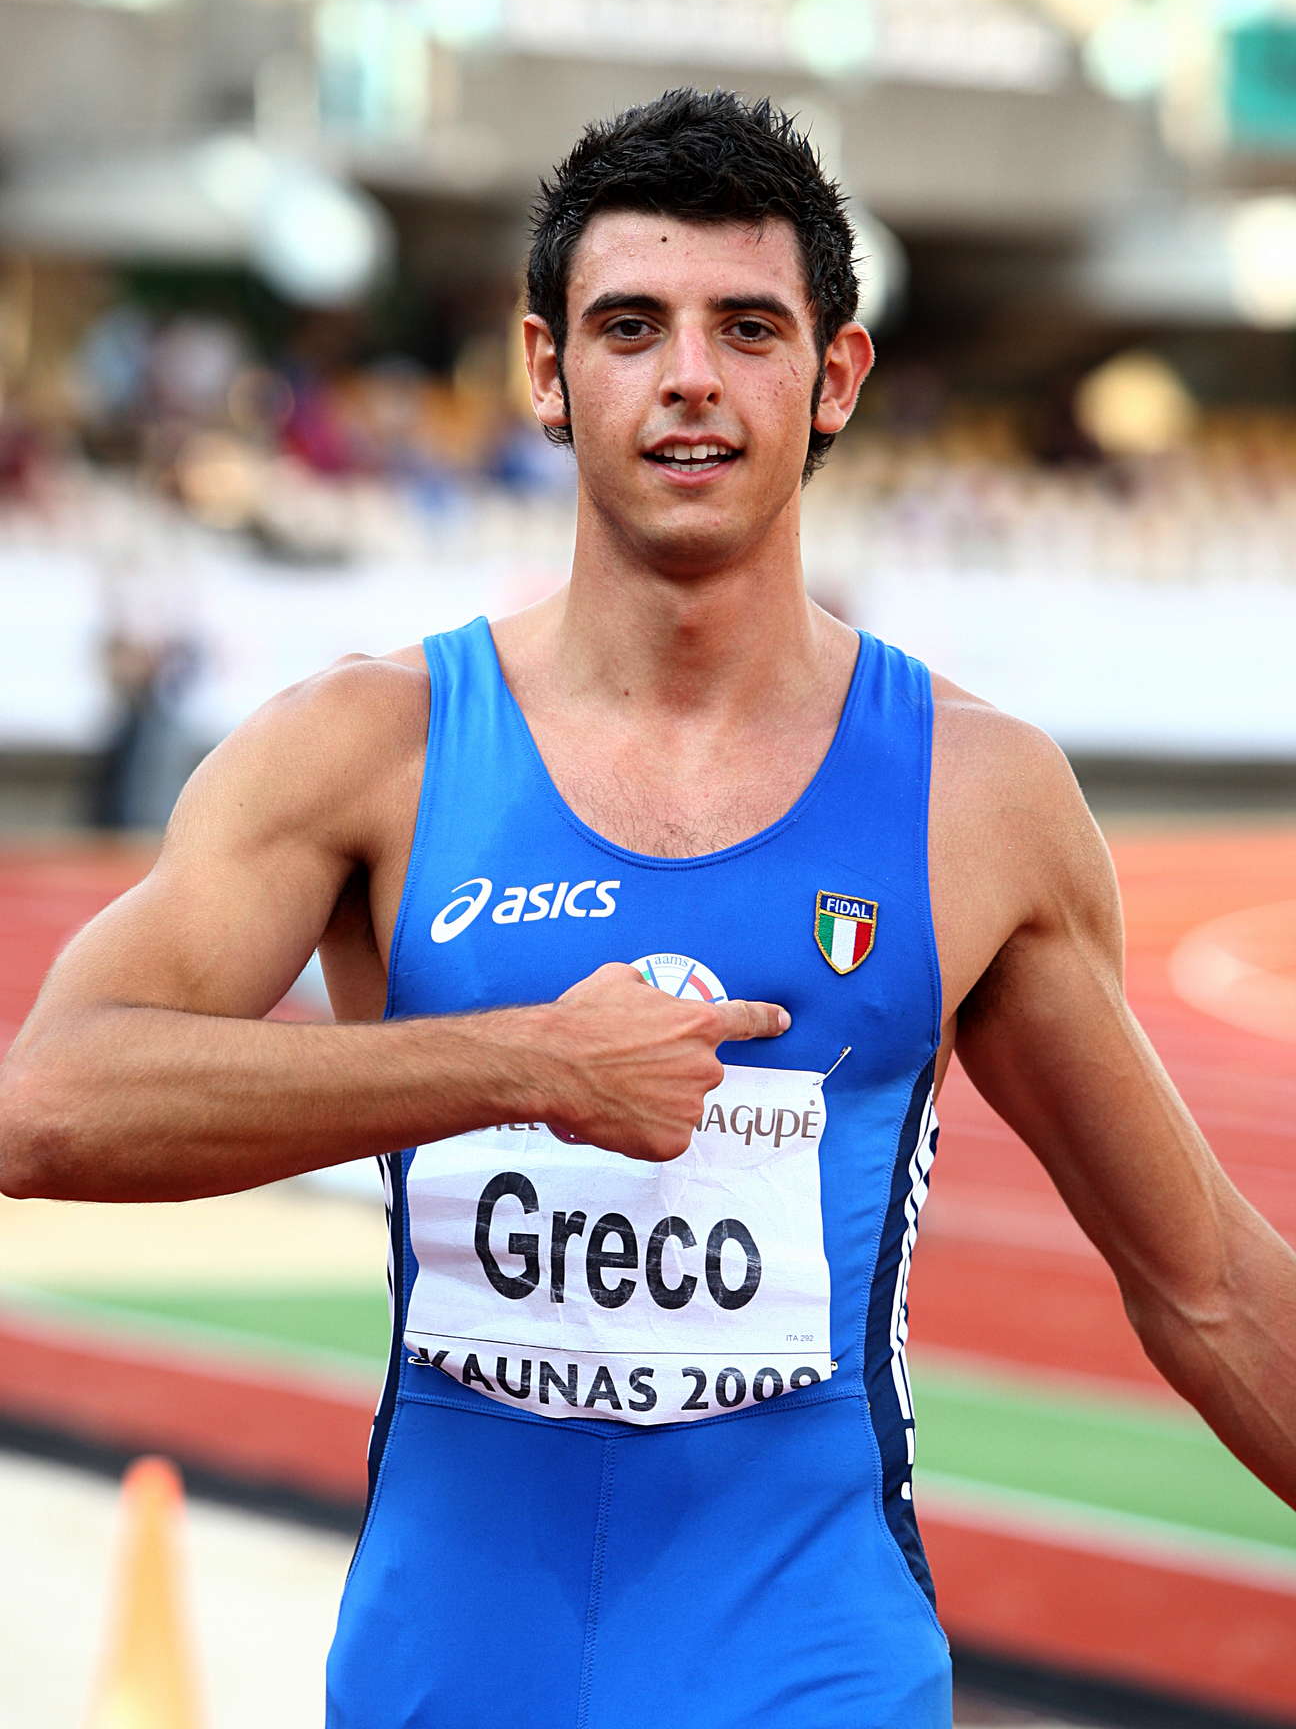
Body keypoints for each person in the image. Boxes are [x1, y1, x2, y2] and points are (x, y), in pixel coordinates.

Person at [1, 90, 1292, 1729]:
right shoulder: (368, 750)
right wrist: (524, 1063)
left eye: (748, 328)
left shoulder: (977, 798)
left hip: (812, 1673)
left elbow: (1210, 1288)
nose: (690, 376)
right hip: (448, 1672)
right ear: (546, 372)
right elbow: (47, 1106)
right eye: (631, 327)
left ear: (835, 378)